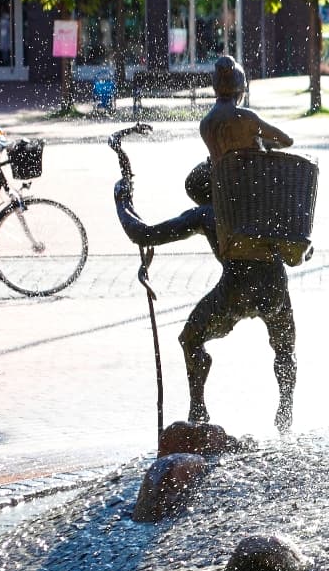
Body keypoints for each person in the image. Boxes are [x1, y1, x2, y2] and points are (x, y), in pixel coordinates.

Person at [115, 159, 300, 435]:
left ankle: (198, 410)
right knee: (285, 349)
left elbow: (143, 234)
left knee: (190, 338)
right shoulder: (260, 206)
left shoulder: (206, 214)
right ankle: (285, 411)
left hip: (235, 290)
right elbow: (300, 252)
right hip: (274, 288)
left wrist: (122, 200)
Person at [199, 55, 292, 162]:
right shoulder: (246, 118)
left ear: (215, 88)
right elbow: (286, 140)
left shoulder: (205, 124)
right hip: (252, 177)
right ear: (241, 89)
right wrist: (263, 143)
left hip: (222, 178)